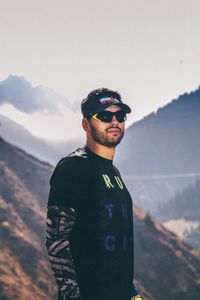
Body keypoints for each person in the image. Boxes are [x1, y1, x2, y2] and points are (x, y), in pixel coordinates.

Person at [45, 88, 142, 300]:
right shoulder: (73, 167)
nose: (114, 121)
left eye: (120, 115)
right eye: (105, 116)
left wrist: (131, 291)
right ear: (86, 125)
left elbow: (116, 243)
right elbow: (56, 240)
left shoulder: (113, 172)